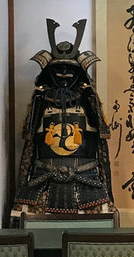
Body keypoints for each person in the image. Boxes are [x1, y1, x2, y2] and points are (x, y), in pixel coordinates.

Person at [10, 19, 115, 222]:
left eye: (70, 68)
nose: (65, 73)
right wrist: (21, 187)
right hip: (43, 182)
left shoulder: (89, 99)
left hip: (87, 182)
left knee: (100, 225)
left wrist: (108, 191)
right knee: (24, 219)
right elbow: (29, 147)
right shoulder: (40, 99)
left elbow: (101, 147)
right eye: (60, 68)